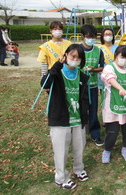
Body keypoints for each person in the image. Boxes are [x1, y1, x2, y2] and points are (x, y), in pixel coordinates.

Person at [41, 44, 89, 190]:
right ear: (65, 55)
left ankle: (79, 169)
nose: (75, 59)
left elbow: (84, 97)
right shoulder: (57, 73)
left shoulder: (81, 75)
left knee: (79, 146)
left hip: (77, 118)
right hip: (60, 118)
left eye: (78, 57)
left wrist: (85, 113)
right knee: (61, 150)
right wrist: (56, 65)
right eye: (72, 56)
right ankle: (61, 177)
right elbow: (44, 83)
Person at [101, 45, 126, 163]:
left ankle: (125, 148)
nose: (124, 60)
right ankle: (107, 150)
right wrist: (120, 88)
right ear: (116, 55)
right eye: (122, 57)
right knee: (112, 130)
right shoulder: (109, 68)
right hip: (113, 104)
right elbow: (110, 79)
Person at [80, 25, 104, 146]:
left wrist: (94, 69)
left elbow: (102, 67)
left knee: (93, 111)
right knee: (80, 111)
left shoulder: (98, 50)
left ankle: (95, 134)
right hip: (79, 87)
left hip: (93, 86)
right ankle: (80, 135)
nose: (91, 39)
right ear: (82, 37)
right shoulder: (77, 49)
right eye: (89, 37)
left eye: (93, 37)